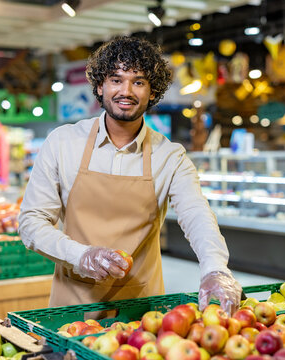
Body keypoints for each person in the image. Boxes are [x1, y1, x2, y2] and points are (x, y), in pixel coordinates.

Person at [18, 36, 242, 315]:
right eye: (116, 79)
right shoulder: (63, 143)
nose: (126, 91)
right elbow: (31, 221)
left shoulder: (170, 156)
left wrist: (215, 268)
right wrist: (81, 255)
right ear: (100, 86)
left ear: (152, 92)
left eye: (138, 82)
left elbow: (197, 215)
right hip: (73, 304)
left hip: (142, 309)